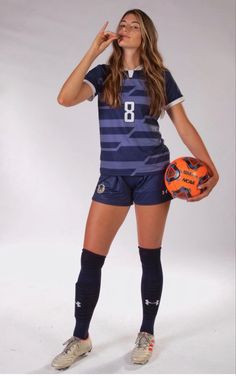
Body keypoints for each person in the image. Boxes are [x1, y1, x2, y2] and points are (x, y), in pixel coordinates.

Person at [51, 8, 219, 370]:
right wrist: (92, 51)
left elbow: (183, 125)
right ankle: (81, 338)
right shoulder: (103, 73)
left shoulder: (160, 77)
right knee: (90, 260)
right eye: (122, 24)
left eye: (134, 25)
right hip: (112, 176)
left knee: (149, 257)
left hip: (152, 176)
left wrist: (211, 167)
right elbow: (64, 98)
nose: (125, 29)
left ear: (146, 35)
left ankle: (146, 332)